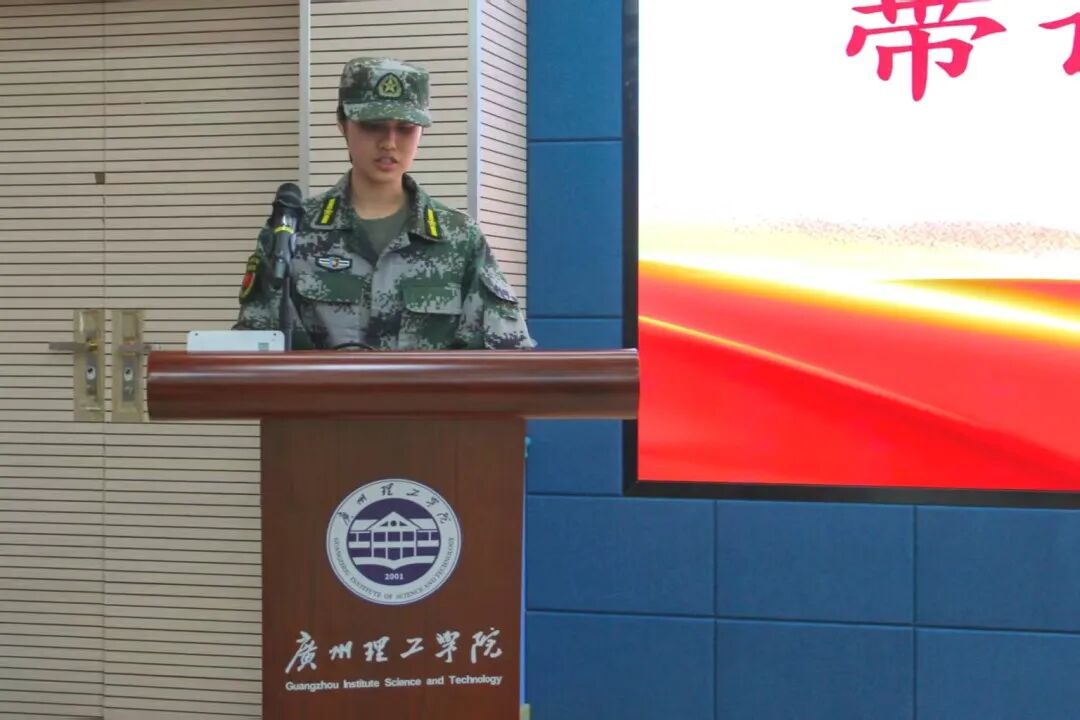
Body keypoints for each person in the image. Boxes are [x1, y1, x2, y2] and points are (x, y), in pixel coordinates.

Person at [234, 57, 534, 351]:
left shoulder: (459, 238)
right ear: (342, 124)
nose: (389, 143)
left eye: (405, 128)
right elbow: (255, 348)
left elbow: (507, 355)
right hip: (322, 388)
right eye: (372, 125)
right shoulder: (292, 233)